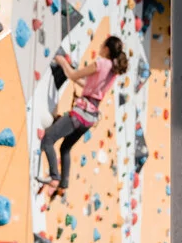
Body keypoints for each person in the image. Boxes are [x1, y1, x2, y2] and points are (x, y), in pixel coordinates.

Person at [38, 36, 129, 197]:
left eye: (102, 44)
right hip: (89, 118)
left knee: (48, 140)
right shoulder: (113, 72)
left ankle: (54, 177)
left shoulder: (100, 63)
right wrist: (70, 71)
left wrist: (61, 60)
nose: (100, 46)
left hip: (79, 114)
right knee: (65, 148)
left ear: (106, 49)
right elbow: (86, 85)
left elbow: (73, 75)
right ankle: (64, 184)